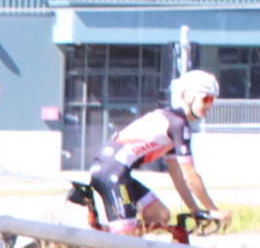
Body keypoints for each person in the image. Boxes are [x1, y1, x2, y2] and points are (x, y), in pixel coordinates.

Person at [87, 69, 230, 235]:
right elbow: (191, 175)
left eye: (213, 100)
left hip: (116, 172)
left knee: (159, 215)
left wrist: (194, 209)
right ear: (189, 96)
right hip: (112, 174)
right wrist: (211, 209)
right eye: (206, 98)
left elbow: (177, 175)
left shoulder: (172, 121)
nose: (210, 105)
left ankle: (106, 241)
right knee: (125, 244)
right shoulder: (178, 124)